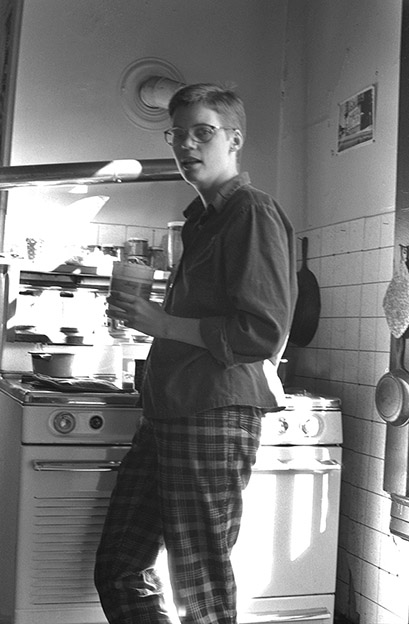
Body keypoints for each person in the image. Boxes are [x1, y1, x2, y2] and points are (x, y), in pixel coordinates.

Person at [94, 83, 298, 624]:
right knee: (119, 567)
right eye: (178, 134)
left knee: (199, 589)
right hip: (168, 412)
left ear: (234, 140)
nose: (187, 145)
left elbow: (261, 330)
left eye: (202, 132)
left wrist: (161, 322)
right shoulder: (201, 221)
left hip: (213, 412)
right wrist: (151, 321)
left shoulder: (251, 212)